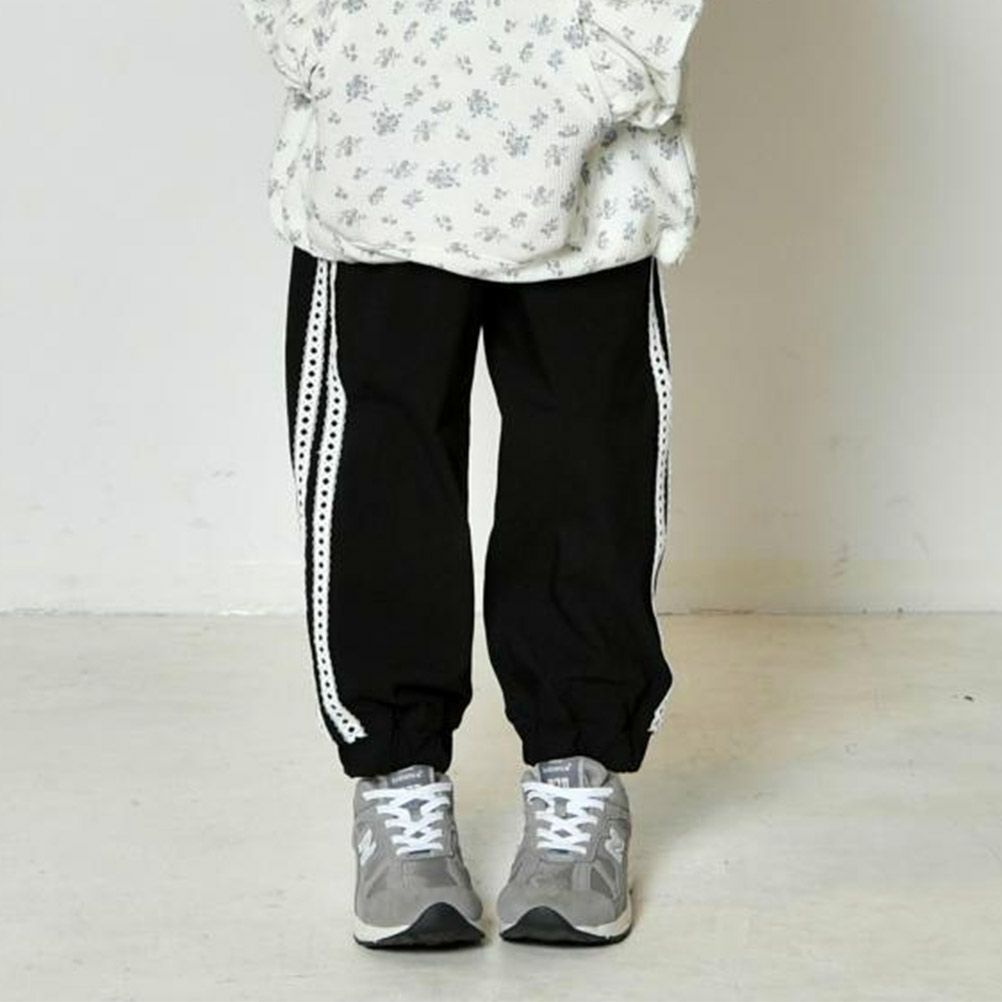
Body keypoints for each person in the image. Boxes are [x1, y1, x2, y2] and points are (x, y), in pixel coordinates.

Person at [239, 0, 704, 948]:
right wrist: (330, 50)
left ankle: (578, 773)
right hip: (377, 145)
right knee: (383, 474)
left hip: (592, 158)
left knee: (586, 464)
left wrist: (613, 64)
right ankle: (398, 781)